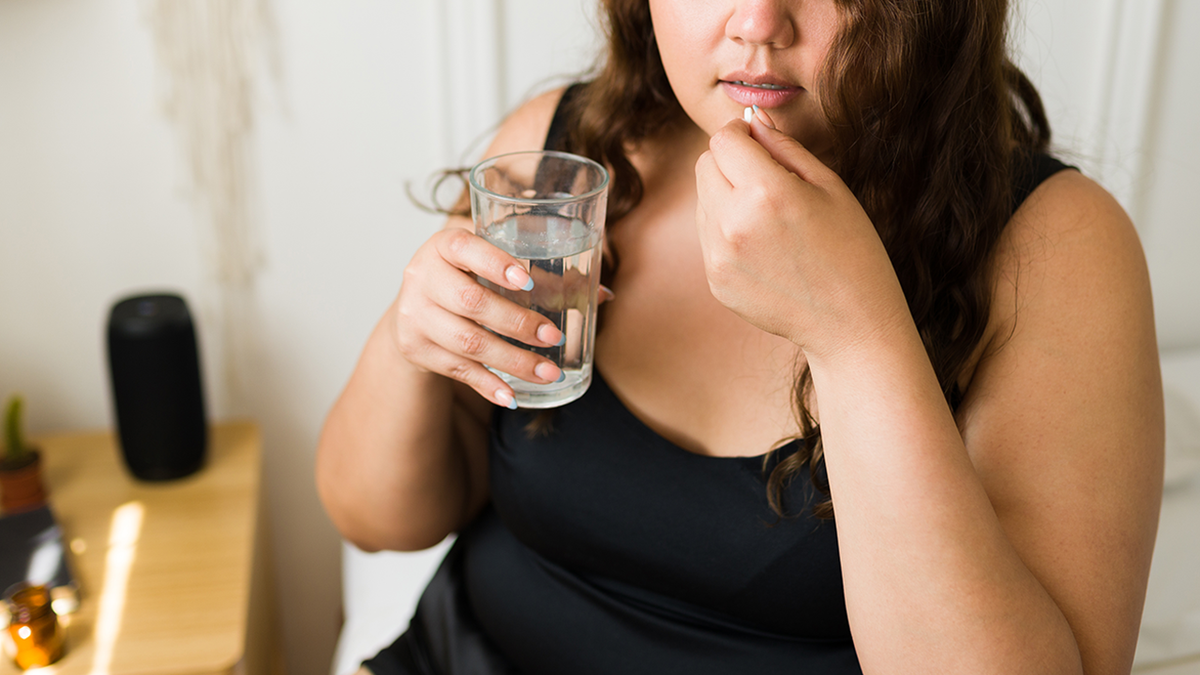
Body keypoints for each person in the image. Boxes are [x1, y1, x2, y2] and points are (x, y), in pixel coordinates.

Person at [317, 0, 1164, 673]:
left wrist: (856, 335)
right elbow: (373, 517)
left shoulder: (1055, 248)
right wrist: (410, 336)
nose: (758, 22)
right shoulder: (561, 158)